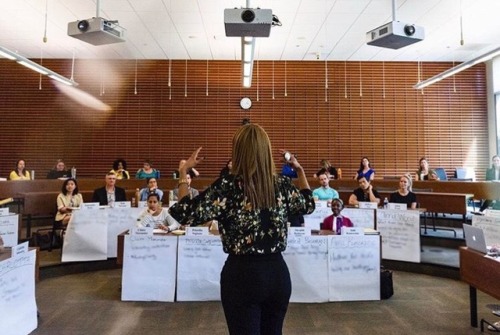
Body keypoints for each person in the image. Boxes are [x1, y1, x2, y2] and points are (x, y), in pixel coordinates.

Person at [168, 124, 315, 335]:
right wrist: (299, 170)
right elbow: (308, 204)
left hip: (242, 276)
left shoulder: (227, 187)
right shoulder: (282, 184)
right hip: (277, 274)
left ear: (237, 152)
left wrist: (183, 173)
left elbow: (184, 213)